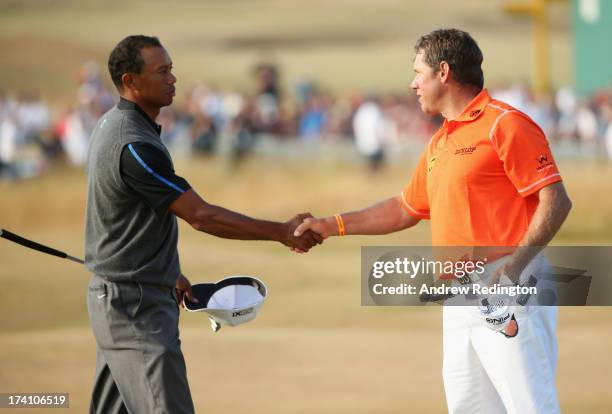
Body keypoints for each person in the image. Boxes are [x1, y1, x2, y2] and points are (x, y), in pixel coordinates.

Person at [295, 28, 572, 414]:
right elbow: (405, 208)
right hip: (459, 295)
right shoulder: (440, 141)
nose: (412, 84)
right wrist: (332, 224)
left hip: (510, 285)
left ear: (443, 72)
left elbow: (555, 200)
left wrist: (513, 268)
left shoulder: (504, 124)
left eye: (417, 73)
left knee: (531, 408)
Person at [84, 35, 322, 414]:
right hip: (135, 309)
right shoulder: (133, 144)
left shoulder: (112, 125)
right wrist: (279, 231)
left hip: (124, 297)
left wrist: (166, 270)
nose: (172, 79)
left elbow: (126, 216)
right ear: (131, 81)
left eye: (172, 70)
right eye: (162, 72)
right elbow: (200, 215)